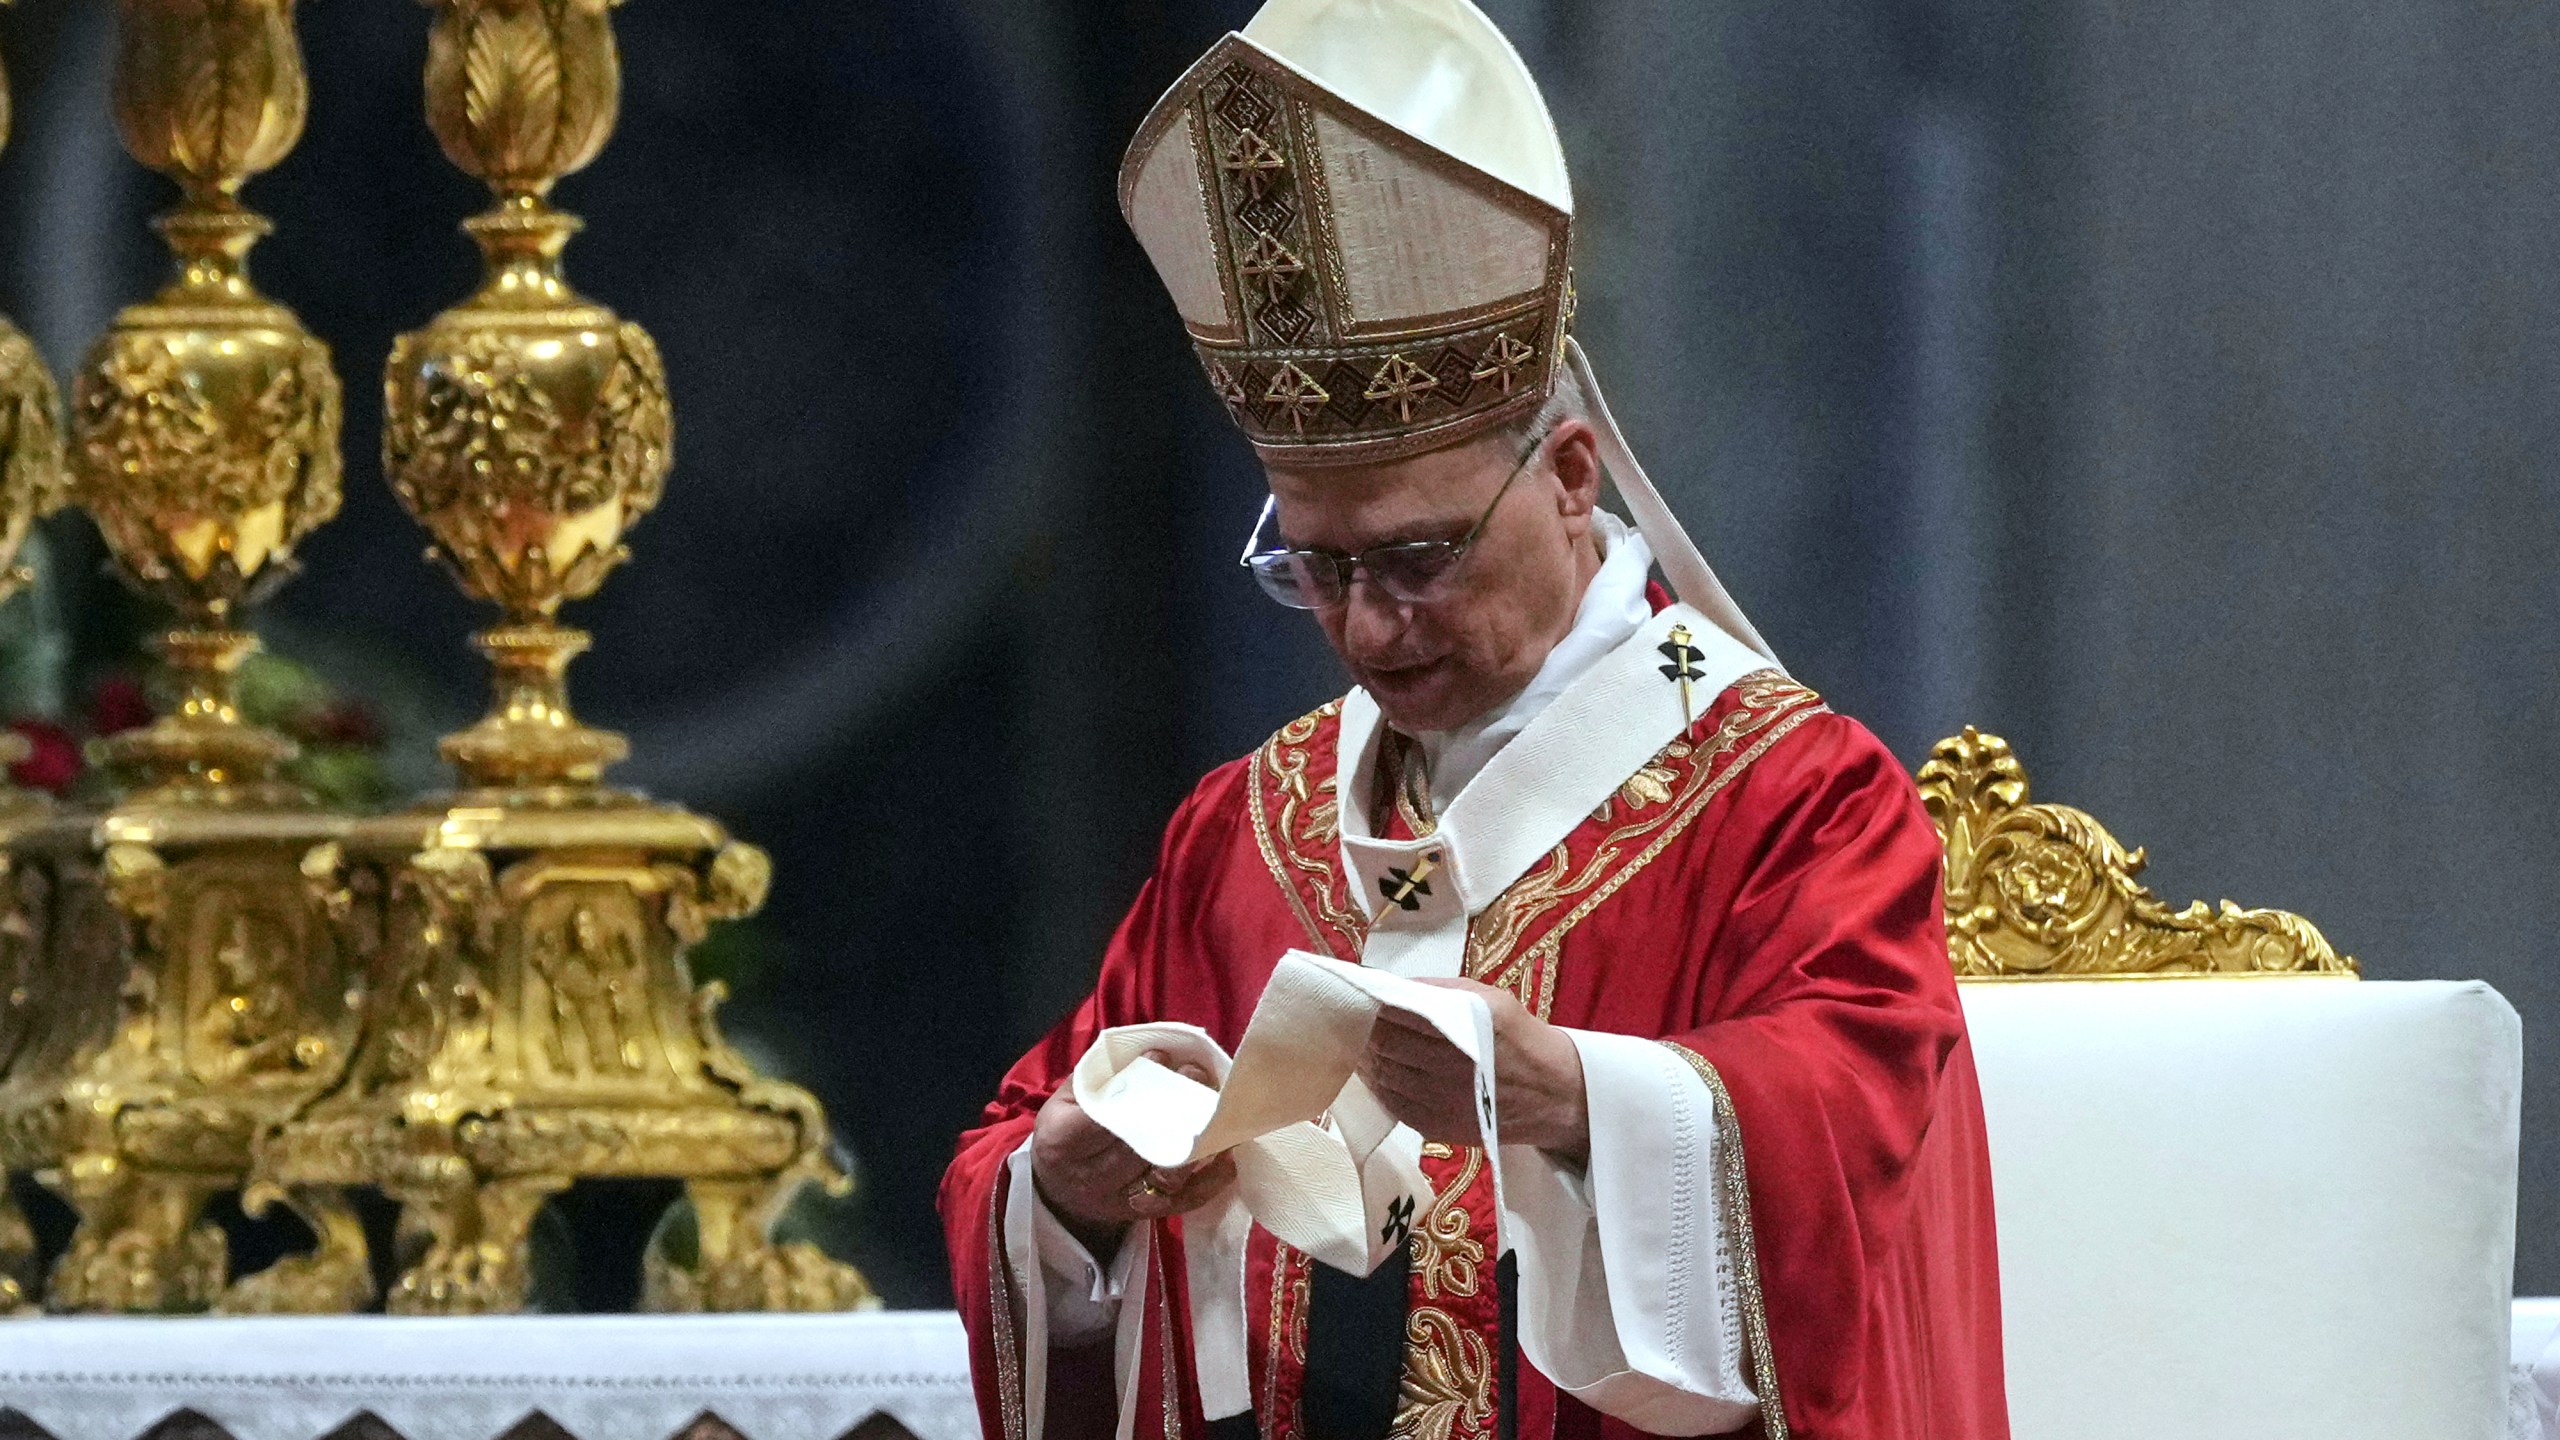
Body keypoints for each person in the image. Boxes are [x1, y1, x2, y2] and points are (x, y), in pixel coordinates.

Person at [939, 2, 2007, 1437]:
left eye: (1420, 557)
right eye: (1316, 570)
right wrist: (1064, 1186)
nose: (1371, 626)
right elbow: (1024, 1144)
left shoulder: (1789, 798)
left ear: (1572, 475)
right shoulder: (1249, 832)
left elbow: (1861, 1132)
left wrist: (1573, 1094)